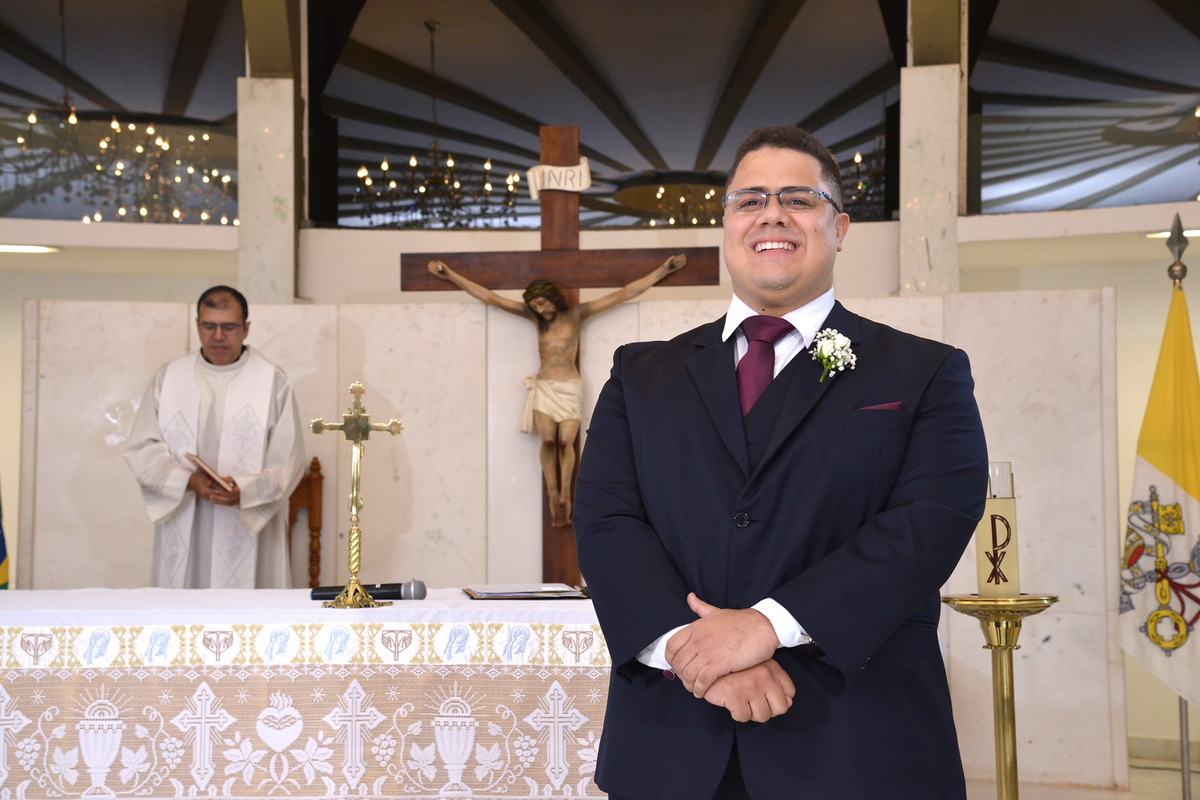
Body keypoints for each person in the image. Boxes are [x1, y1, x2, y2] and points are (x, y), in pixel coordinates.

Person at [573, 126, 988, 800]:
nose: (772, 214)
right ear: (727, 226)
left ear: (840, 226)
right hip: (676, 743)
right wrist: (698, 651)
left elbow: (928, 523)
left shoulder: (924, 372)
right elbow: (606, 519)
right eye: (750, 200)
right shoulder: (641, 374)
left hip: (858, 743)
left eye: (799, 198)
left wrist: (767, 626)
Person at [427, 254, 686, 526]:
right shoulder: (536, 319)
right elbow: (491, 298)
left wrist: (662, 271)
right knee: (549, 441)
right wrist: (450, 276)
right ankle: (553, 493)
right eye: (534, 305)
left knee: (566, 442)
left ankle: (566, 493)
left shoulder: (575, 315)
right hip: (545, 387)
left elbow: (623, 294)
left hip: (570, 388)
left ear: (553, 298)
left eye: (542, 302)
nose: (539, 309)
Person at [124, 286, 306, 588]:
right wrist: (187, 480)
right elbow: (142, 447)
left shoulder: (272, 381)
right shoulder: (169, 379)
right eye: (209, 326)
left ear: (246, 329)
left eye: (229, 327)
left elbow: (289, 458)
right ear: (197, 325)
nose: (218, 336)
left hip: (248, 525)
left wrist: (246, 491)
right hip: (186, 520)